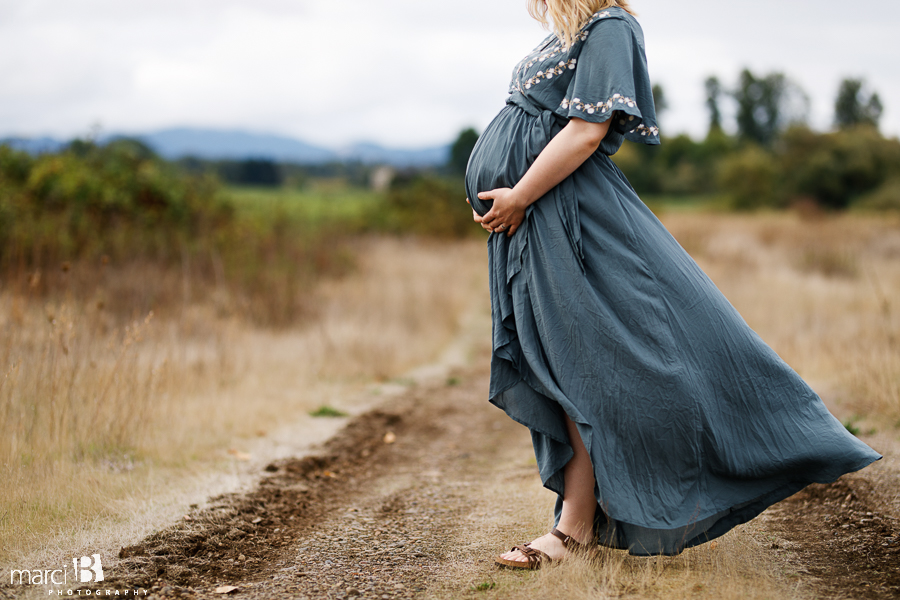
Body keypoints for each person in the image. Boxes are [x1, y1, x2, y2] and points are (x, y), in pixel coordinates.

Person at [464, 0, 881, 569]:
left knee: (596, 365)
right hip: (538, 220)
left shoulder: (612, 26)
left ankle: (577, 528)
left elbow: (587, 131)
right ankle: (578, 520)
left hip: (572, 220)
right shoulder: (566, 32)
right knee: (561, 365)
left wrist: (519, 194)